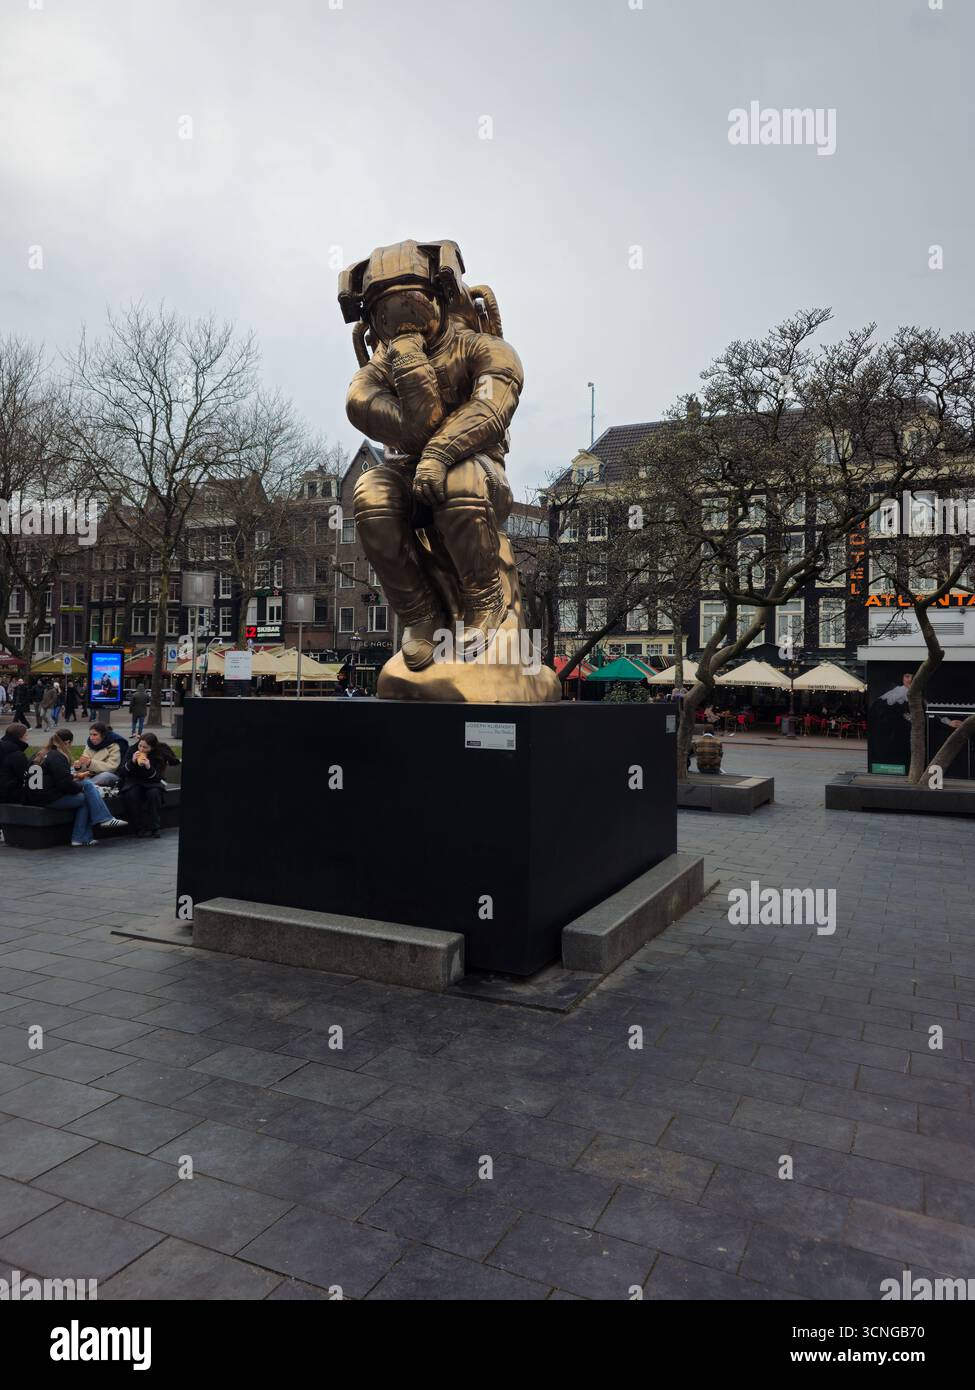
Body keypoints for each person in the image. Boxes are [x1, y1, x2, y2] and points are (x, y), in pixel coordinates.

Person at [24, 728, 127, 846]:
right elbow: (64, 784)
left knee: (87, 791)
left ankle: (83, 836)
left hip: (33, 795)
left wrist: (74, 777)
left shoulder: (38, 753)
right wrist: (79, 789)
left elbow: (51, 778)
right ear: (67, 742)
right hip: (47, 798)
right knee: (88, 795)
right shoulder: (58, 756)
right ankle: (91, 828)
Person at [118, 732, 173, 838]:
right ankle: (139, 828)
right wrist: (132, 762)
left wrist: (148, 767)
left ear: (152, 748)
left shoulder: (158, 755)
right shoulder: (132, 750)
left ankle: (155, 827)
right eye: (140, 746)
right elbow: (122, 772)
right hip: (133, 781)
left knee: (154, 794)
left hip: (152, 783)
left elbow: (158, 777)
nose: (142, 749)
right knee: (131, 794)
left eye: (145, 747)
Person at [72, 722, 128, 788]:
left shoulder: (114, 746)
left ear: (103, 736)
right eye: (90, 734)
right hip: (91, 774)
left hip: (110, 774)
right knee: (71, 770)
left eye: (95, 735)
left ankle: (84, 786)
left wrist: (91, 763)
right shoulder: (89, 746)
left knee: (105, 776)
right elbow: (85, 765)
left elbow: (112, 767)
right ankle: (83, 784)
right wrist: (79, 766)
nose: (91, 738)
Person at [0, 722, 31, 803]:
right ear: (20, 737)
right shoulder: (17, 755)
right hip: (8, 795)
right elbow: (24, 777)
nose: (27, 738)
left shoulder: (5, 748)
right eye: (26, 735)